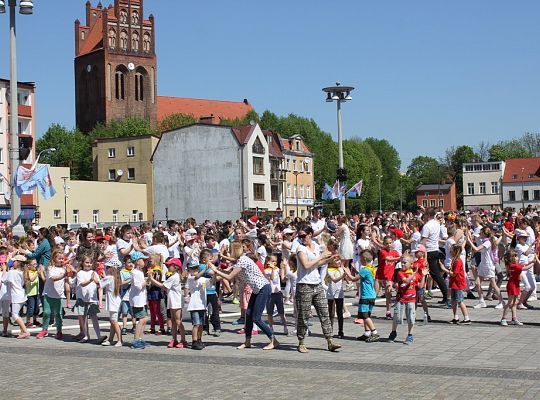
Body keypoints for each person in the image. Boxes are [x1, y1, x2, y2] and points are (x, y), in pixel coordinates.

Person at [207, 241, 278, 351]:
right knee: (248, 315)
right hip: (257, 289)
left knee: (256, 318)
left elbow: (230, 276)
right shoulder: (241, 259)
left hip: (263, 288)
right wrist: (222, 256)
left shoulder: (242, 261)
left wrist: (215, 269)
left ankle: (273, 340)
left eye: (230, 250)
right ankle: (247, 341)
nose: (230, 252)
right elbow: (233, 261)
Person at [295, 227, 341, 353]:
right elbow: (306, 265)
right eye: (299, 236)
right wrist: (321, 256)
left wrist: (328, 260)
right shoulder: (300, 249)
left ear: (310, 234)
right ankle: (301, 342)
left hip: (317, 284)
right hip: (304, 285)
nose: (301, 238)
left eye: (303, 236)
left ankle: (330, 341)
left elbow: (317, 264)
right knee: (304, 315)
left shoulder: (315, 245)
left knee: (324, 313)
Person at [388, 254, 428, 344]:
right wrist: (414, 273)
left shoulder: (416, 274)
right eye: (401, 263)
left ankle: (410, 335)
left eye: (404, 263)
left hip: (411, 300)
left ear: (411, 264)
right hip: (400, 299)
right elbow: (406, 280)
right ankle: (393, 332)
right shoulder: (400, 273)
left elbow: (420, 286)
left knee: (411, 317)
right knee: (397, 317)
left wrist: (423, 275)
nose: (402, 264)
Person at [149, 257, 188, 348]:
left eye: (169, 265)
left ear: (176, 267)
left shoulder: (174, 277)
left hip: (176, 301)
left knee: (178, 321)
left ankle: (183, 340)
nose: (167, 267)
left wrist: (152, 279)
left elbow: (163, 286)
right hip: (173, 300)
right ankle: (174, 339)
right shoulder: (174, 276)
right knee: (173, 321)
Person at [344, 250, 379, 342]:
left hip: (365, 296)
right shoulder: (371, 268)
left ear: (364, 259)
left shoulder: (365, 270)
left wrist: (346, 270)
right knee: (366, 315)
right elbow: (361, 275)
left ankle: (374, 332)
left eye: (360, 259)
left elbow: (353, 279)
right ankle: (367, 332)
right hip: (371, 295)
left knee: (365, 315)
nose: (359, 261)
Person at [467, 227, 504, 309]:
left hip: (488, 265)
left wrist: (469, 240)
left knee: (494, 284)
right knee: (477, 283)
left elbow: (476, 249)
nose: (480, 234)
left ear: (484, 234)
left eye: (481, 233)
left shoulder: (487, 242)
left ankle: (501, 302)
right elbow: (481, 250)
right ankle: (481, 301)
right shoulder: (485, 241)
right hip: (483, 265)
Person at [74, 255, 107, 344]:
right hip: (82, 298)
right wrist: (91, 280)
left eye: (90, 263)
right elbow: (82, 284)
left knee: (94, 317)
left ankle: (99, 336)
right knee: (83, 318)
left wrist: (102, 280)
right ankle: (86, 335)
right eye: (87, 262)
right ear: (83, 263)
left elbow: (99, 284)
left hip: (92, 299)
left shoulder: (94, 272)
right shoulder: (80, 273)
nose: (89, 264)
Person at [421, 208, 450, 307]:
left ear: (427, 215)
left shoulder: (427, 226)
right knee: (435, 275)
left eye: (424, 215)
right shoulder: (436, 223)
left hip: (428, 251)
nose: (423, 217)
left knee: (436, 275)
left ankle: (447, 296)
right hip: (435, 249)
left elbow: (423, 241)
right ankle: (446, 296)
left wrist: (418, 250)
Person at [501, 250, 536, 326]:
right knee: (510, 302)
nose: (517, 258)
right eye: (516, 256)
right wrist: (533, 263)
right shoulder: (515, 266)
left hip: (515, 285)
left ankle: (514, 318)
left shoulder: (512, 265)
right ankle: (503, 318)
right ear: (511, 258)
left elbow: (524, 265)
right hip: (512, 285)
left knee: (515, 302)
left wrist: (532, 261)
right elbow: (525, 267)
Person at [36, 250, 66, 339]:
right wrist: (64, 275)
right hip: (48, 294)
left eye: (62, 258)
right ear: (54, 259)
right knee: (46, 313)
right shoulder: (50, 268)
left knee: (58, 314)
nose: (61, 260)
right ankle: (44, 330)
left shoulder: (64, 269)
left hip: (59, 296)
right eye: (59, 258)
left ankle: (59, 331)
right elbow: (53, 278)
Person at [375, 236, 401, 319]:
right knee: (374, 294)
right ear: (384, 244)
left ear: (393, 243)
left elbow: (400, 259)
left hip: (389, 276)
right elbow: (388, 259)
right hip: (379, 276)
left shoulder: (395, 252)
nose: (389, 245)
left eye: (390, 243)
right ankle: (367, 310)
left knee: (388, 294)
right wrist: (399, 257)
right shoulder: (382, 252)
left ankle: (388, 312)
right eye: (386, 243)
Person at [5, 255, 30, 339]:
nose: (12, 263)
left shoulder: (13, 272)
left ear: (18, 262)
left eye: (14, 261)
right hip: (21, 294)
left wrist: (5, 269)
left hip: (16, 296)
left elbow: (5, 279)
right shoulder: (22, 271)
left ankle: (25, 331)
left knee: (15, 315)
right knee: (17, 314)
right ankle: (22, 331)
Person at [100, 259, 123, 347]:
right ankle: (110, 339)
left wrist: (95, 276)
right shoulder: (114, 277)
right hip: (115, 301)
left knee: (114, 321)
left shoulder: (110, 277)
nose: (106, 268)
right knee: (113, 321)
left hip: (113, 302)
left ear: (112, 268)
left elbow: (100, 284)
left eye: (108, 267)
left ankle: (120, 340)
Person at [129, 251, 150, 349]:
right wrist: (147, 280)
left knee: (145, 319)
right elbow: (138, 286)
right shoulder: (135, 272)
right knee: (142, 319)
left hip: (141, 299)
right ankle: (136, 339)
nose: (144, 261)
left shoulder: (140, 272)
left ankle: (140, 339)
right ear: (137, 261)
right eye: (142, 260)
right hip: (137, 300)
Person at [186, 262, 209, 350]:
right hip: (194, 306)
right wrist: (205, 269)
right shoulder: (191, 278)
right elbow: (196, 277)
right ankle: (194, 341)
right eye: (192, 269)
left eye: (196, 268)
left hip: (202, 305)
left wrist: (215, 272)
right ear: (189, 270)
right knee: (196, 324)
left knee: (201, 325)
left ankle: (199, 339)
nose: (195, 270)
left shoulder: (203, 279)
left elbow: (212, 281)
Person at [264, 254, 288, 336]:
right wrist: (273, 269)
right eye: (272, 261)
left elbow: (282, 277)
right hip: (270, 294)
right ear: (268, 262)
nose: (274, 262)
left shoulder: (277, 269)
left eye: (275, 261)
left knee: (281, 311)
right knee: (270, 312)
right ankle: (271, 327)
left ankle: (285, 326)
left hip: (278, 293)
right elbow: (272, 278)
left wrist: (283, 267)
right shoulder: (266, 270)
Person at [447, 244, 471, 325]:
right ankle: (455, 317)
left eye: (451, 250)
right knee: (453, 300)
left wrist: (444, 269)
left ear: (456, 251)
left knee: (460, 301)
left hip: (458, 284)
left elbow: (454, 274)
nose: (450, 251)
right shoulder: (454, 259)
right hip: (454, 283)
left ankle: (467, 318)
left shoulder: (458, 261)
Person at [24, 258, 40, 328]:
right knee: (31, 308)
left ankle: (34, 320)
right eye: (34, 264)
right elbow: (32, 279)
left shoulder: (35, 272)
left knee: (36, 308)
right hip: (30, 293)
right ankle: (28, 321)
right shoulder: (29, 272)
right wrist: (37, 273)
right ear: (29, 265)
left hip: (36, 293)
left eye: (36, 264)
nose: (35, 265)